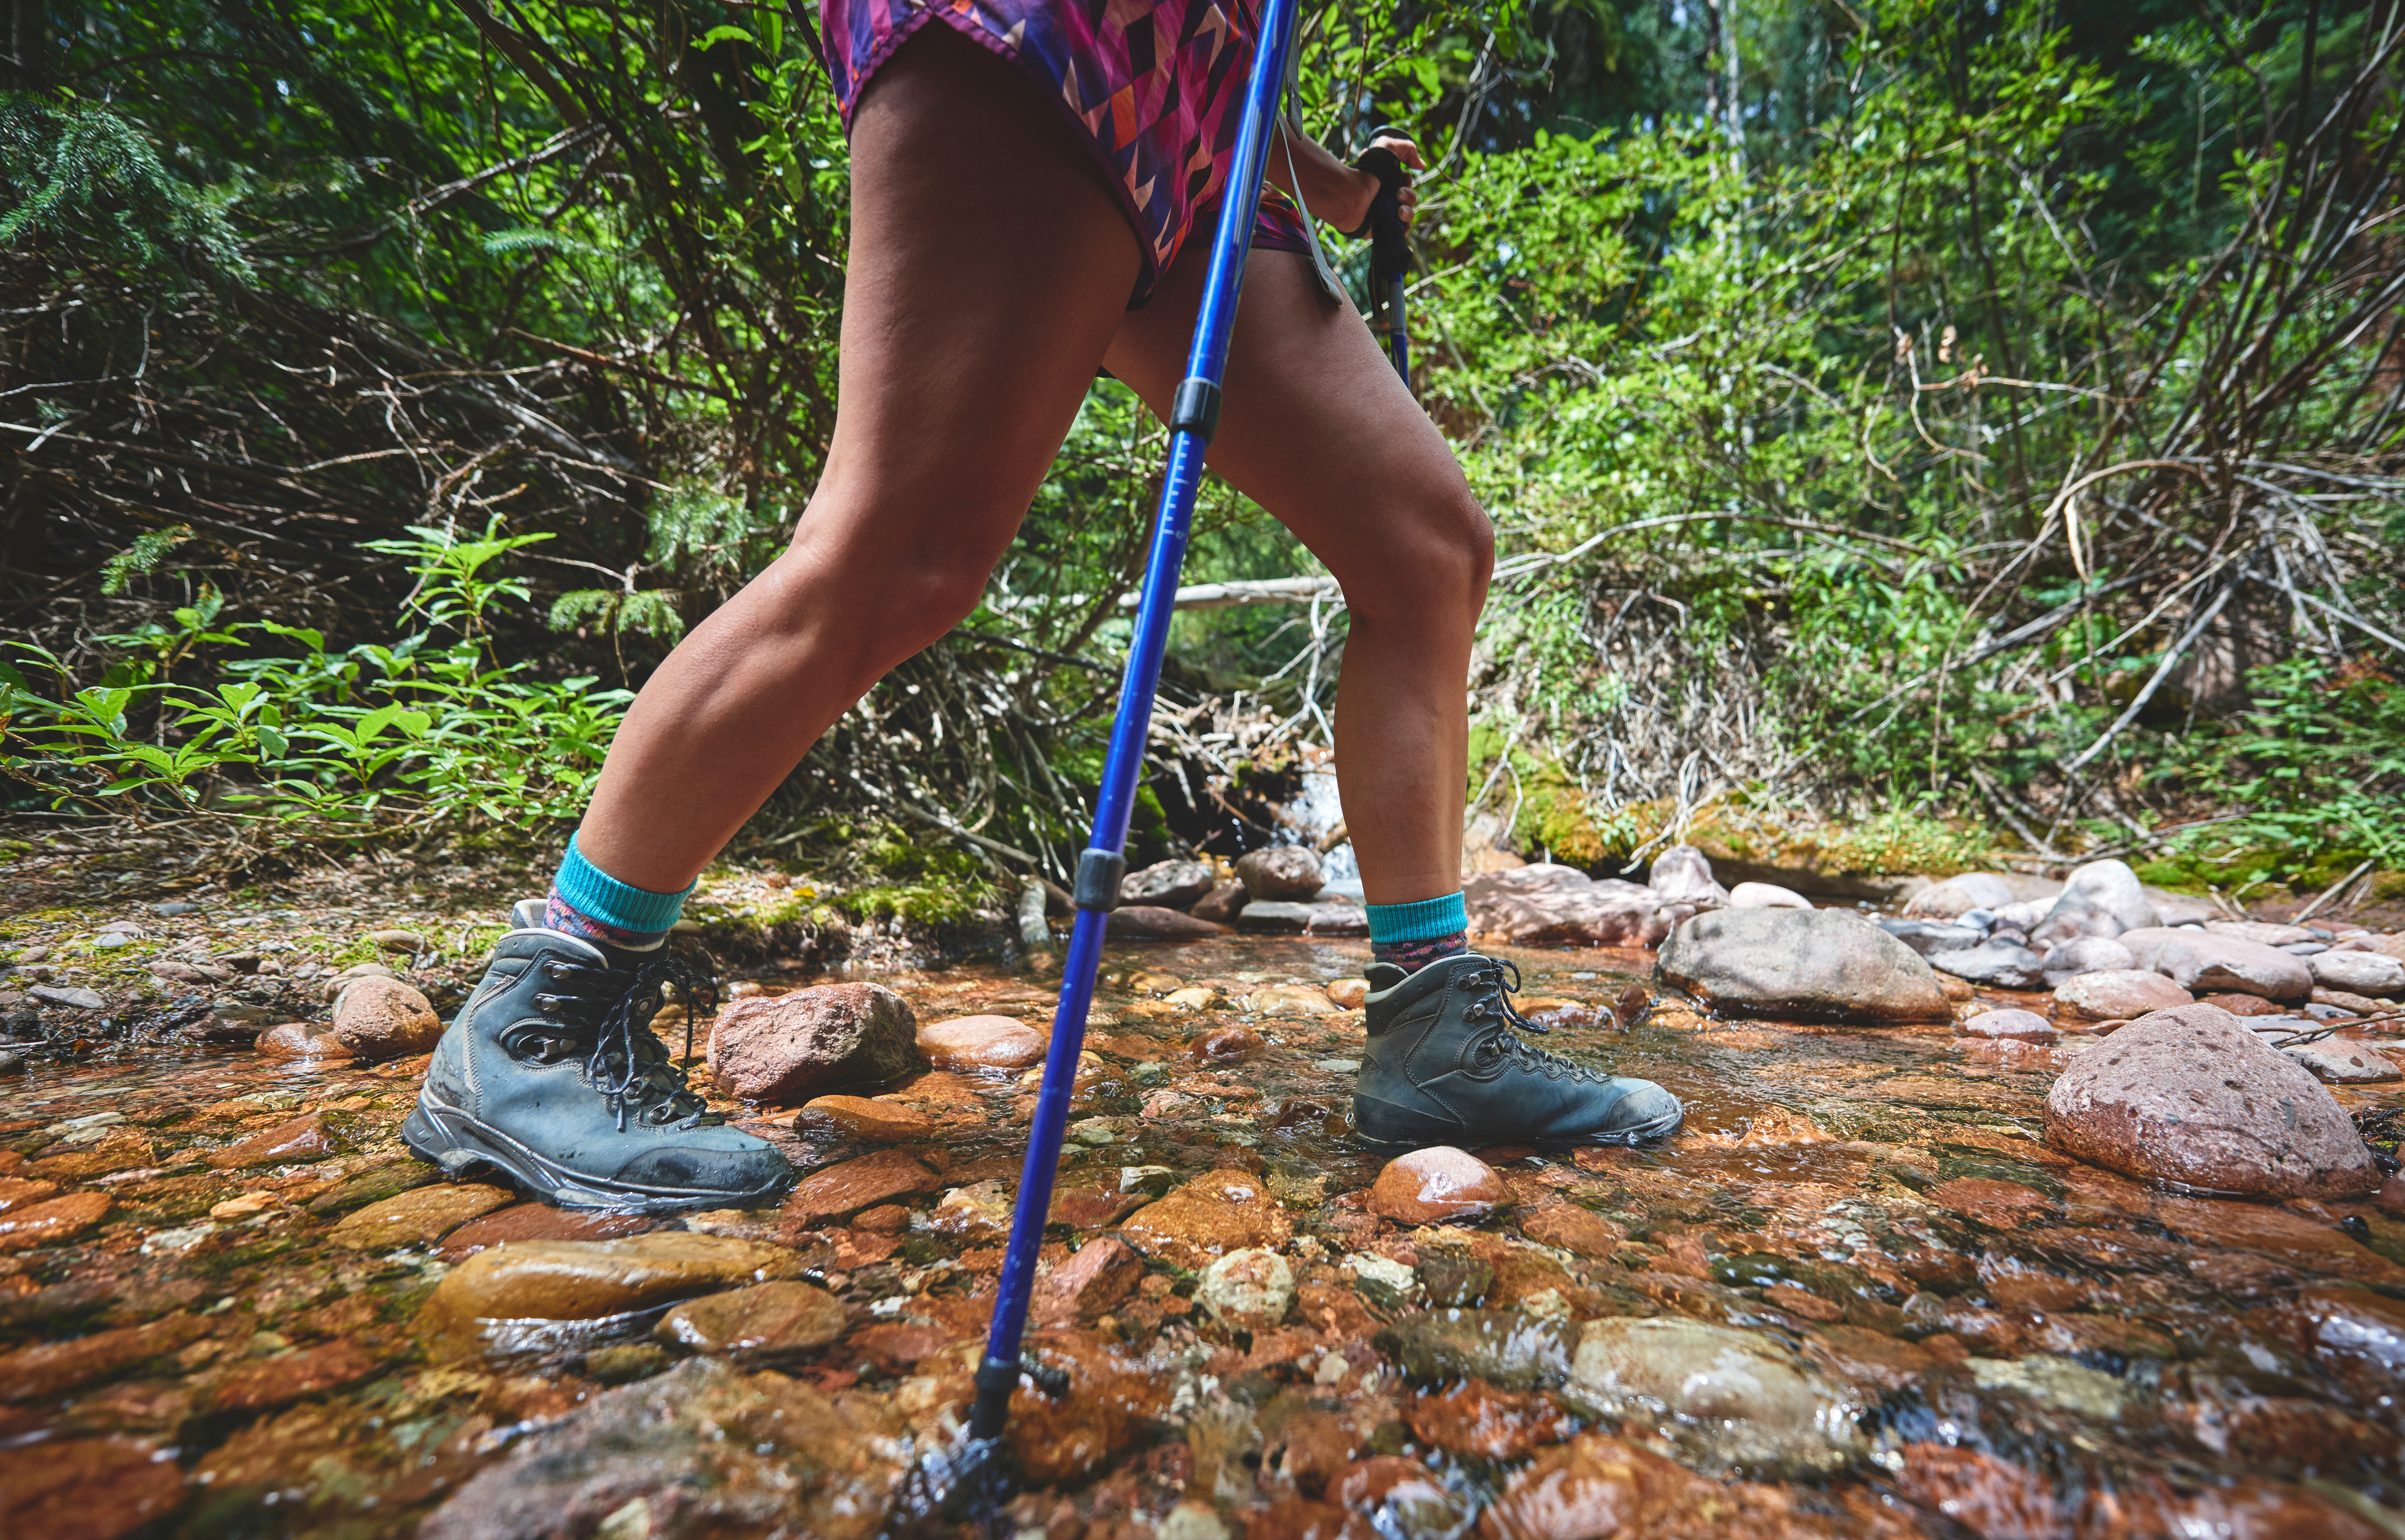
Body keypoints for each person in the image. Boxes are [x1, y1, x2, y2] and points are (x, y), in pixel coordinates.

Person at [401, 0, 1684, 1213]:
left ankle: (1433, 1032)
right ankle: (539, 1021)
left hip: (1197, 130)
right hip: (1041, 37)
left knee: (1428, 550)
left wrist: (1328, 183)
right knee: (901, 552)